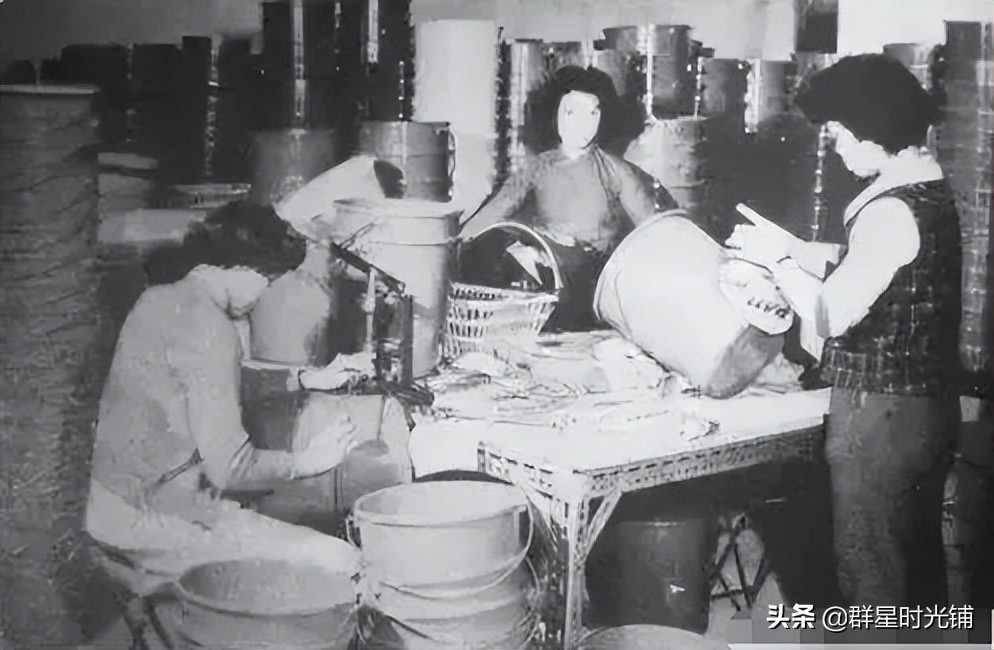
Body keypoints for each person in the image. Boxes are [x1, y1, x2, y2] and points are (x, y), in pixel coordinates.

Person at [727, 54, 962, 606]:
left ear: (868, 128)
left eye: (837, 131)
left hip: (879, 418)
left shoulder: (888, 211)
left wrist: (777, 264)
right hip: (926, 409)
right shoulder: (929, 188)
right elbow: (877, 264)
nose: (834, 146)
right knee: (915, 567)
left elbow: (832, 313)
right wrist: (792, 246)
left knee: (871, 568)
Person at [86, 264, 361, 587]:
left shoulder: (159, 298)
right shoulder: (212, 329)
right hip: (147, 517)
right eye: (267, 278)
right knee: (341, 560)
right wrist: (306, 462)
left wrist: (303, 378)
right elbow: (229, 469)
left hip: (108, 500)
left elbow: (200, 378)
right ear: (240, 267)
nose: (263, 291)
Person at [460, 66, 677, 327]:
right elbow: (497, 209)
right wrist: (455, 241)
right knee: (511, 253)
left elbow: (653, 227)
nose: (582, 123)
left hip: (596, 278)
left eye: (593, 113)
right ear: (554, 114)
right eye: (571, 112)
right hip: (546, 271)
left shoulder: (615, 170)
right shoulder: (537, 168)